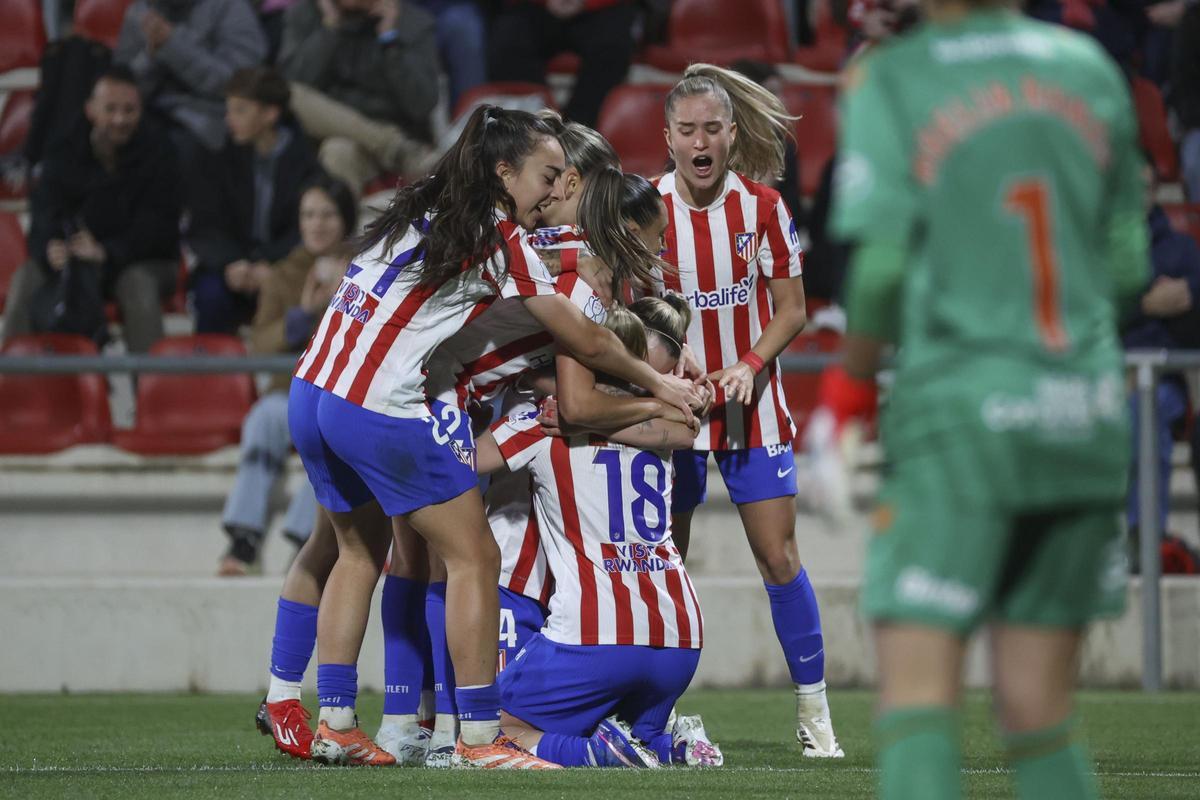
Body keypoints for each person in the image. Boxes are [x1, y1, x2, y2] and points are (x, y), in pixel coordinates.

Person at [287, 104, 702, 768]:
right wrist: (661, 389)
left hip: (320, 387)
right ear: (506, 171)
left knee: (365, 553)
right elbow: (584, 348)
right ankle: (476, 736)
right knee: (470, 559)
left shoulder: (431, 207)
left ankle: (337, 715)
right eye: (548, 174)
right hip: (399, 402)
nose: (553, 189)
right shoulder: (522, 244)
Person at [805, 4, 1149, 798]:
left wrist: (845, 399)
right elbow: (1127, 266)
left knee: (919, 698)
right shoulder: (1090, 67)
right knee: (1038, 711)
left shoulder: (893, 74)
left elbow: (883, 270)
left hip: (964, 416)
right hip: (1086, 412)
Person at [653, 63, 842, 757]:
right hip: (672, 413)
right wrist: (666, 373)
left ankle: (814, 713)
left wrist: (749, 365)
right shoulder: (645, 208)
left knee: (779, 556)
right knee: (662, 563)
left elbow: (792, 309)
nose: (699, 141)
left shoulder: (763, 208)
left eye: (711, 128)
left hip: (749, 410)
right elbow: (631, 314)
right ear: (666, 137)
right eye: (687, 129)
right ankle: (657, 713)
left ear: (731, 136)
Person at [477, 304, 712, 769]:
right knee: (636, 735)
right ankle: (674, 746)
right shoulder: (664, 428)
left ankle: (592, 753)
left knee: (491, 724)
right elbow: (690, 426)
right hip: (679, 636)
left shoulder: (544, 422)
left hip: (596, 636)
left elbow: (460, 467)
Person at [218, 176, 358, 577]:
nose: (316, 224)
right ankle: (243, 539)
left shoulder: (368, 268)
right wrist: (301, 316)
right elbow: (260, 345)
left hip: (344, 393)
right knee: (264, 416)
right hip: (291, 391)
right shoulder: (282, 274)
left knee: (335, 429)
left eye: (327, 215)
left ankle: (304, 542)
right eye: (308, 215)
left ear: (344, 219)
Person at [2, 66, 179, 354]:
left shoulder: (161, 151)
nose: (120, 119)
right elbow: (44, 213)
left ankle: (152, 390)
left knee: (137, 285)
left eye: (129, 110)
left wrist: (106, 252)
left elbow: (160, 230)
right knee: (27, 277)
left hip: (143, 260)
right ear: (90, 110)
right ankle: (12, 385)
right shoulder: (62, 149)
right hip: (75, 259)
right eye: (111, 109)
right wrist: (52, 247)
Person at [188, 66, 324, 334]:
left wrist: (271, 265)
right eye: (229, 110)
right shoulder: (218, 157)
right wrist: (233, 263)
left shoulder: (305, 164)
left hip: (283, 267)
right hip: (231, 267)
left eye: (240, 110)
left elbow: (304, 229)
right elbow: (204, 224)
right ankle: (212, 375)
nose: (229, 119)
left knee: (301, 291)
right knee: (210, 293)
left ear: (270, 113)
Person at [279, 0, 440, 193]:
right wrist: (330, 27)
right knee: (289, 95)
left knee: (338, 150)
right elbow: (294, 87)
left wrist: (389, 39)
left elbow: (422, 104)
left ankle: (393, 147)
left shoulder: (410, 22)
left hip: (394, 126)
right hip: (333, 131)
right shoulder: (307, 14)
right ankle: (394, 147)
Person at [114, 0, 267, 155]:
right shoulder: (139, 10)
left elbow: (237, 84)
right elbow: (123, 85)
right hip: (149, 114)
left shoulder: (230, 7)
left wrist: (173, 45)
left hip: (211, 118)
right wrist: (149, 57)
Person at [488, 0, 638, 128]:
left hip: (603, 11)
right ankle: (534, 127)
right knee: (508, 38)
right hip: (536, 9)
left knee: (613, 46)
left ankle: (578, 135)